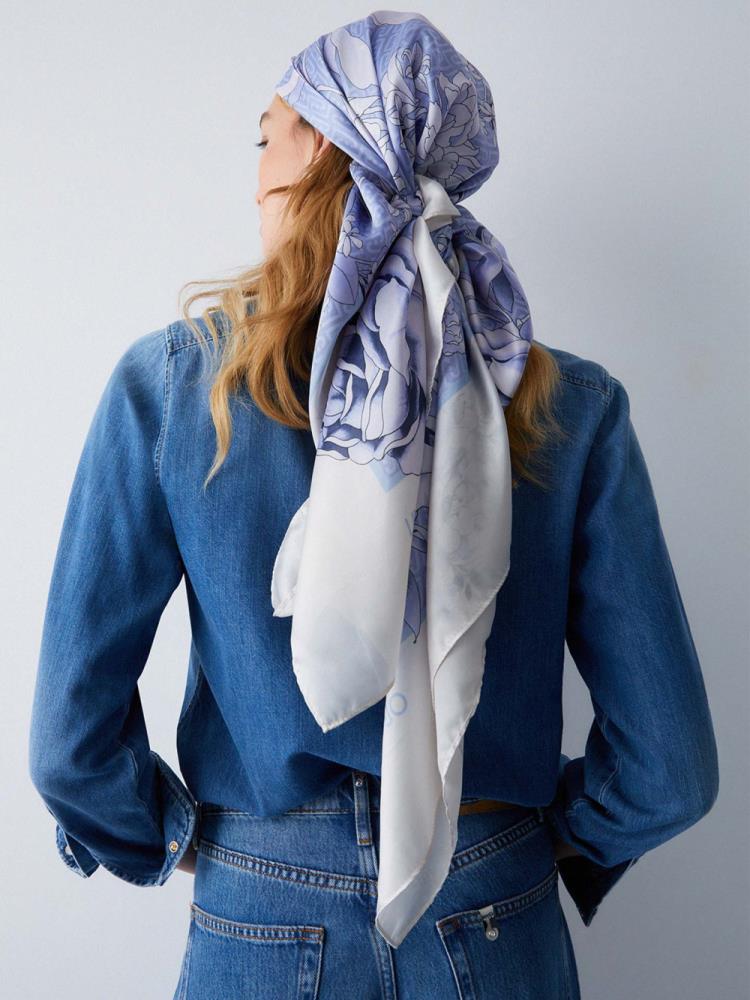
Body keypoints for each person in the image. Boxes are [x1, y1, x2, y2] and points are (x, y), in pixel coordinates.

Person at [28, 11, 719, 999]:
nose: (254, 175)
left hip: (260, 905)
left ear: (320, 149)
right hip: (494, 897)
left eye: (266, 139)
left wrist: (186, 842)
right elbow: (671, 766)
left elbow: (69, 745)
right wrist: (535, 838)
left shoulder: (174, 389)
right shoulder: (569, 407)